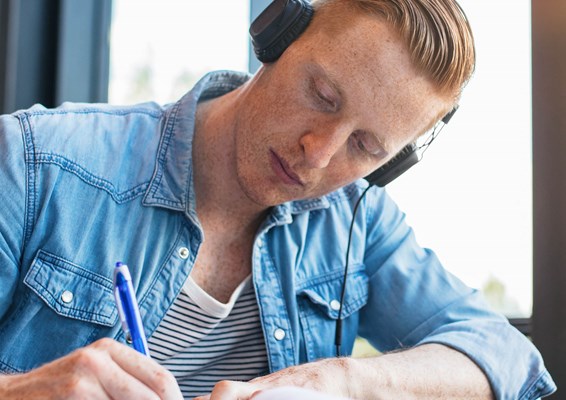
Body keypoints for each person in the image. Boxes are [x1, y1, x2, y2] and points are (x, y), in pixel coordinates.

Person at [0, 0, 557, 398]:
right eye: (322, 95)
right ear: (277, 33)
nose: (317, 154)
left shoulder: (355, 222)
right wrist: (22, 392)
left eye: (364, 146)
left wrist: (339, 383)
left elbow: (504, 354)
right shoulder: (32, 160)